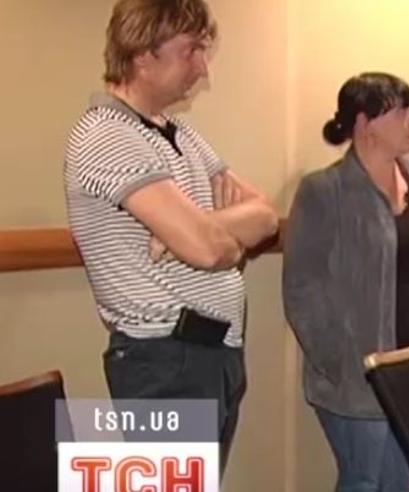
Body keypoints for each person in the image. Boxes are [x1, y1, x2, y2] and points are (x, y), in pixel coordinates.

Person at [63, 0, 278, 473]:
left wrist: (199, 227)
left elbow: (265, 216)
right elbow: (207, 250)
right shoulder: (106, 136)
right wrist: (209, 234)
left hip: (212, 357)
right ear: (144, 55)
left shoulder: (179, 133)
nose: (202, 68)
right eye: (190, 51)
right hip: (163, 361)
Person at [282, 72, 409, 491]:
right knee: (367, 482)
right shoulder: (324, 191)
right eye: (402, 112)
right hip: (360, 380)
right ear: (365, 124)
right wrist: (338, 358)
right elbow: (302, 287)